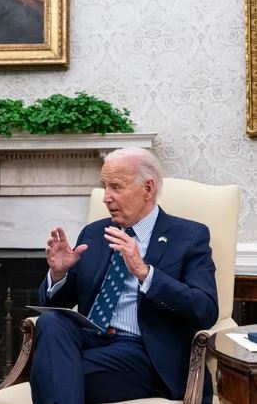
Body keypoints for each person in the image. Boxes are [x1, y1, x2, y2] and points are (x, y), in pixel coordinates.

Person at [31, 148, 218, 404]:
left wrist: (145, 273)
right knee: (51, 323)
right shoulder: (94, 234)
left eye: (116, 187)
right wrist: (59, 273)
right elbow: (55, 306)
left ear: (148, 189)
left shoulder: (189, 236)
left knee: (50, 372)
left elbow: (205, 309)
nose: (106, 198)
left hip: (144, 352)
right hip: (90, 339)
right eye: (104, 187)